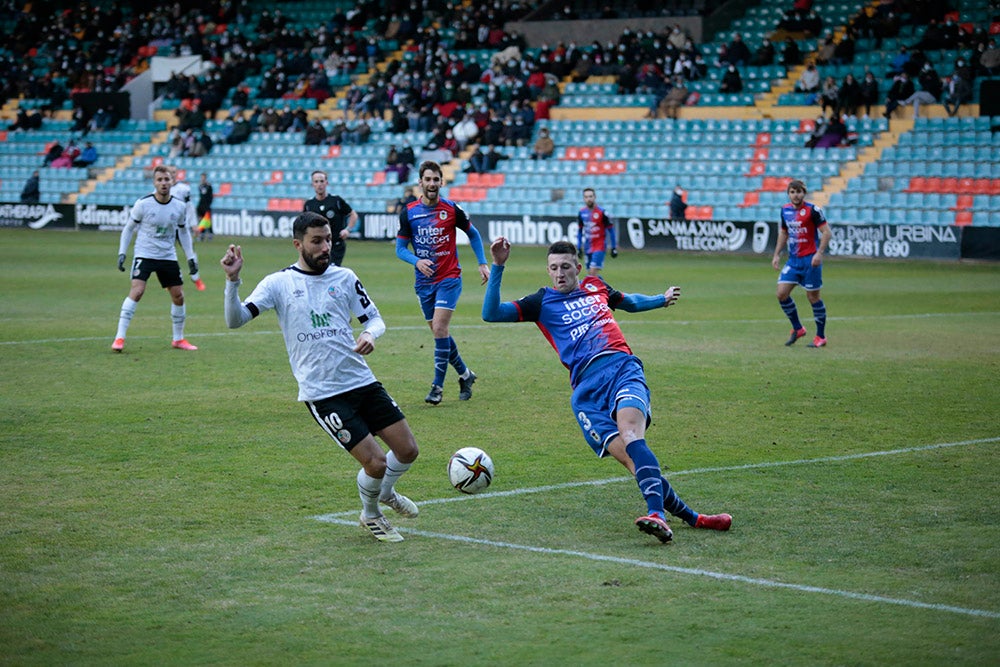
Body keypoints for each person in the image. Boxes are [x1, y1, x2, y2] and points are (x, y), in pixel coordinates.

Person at [481, 238, 733, 543]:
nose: (559, 273)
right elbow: (491, 313)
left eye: (565, 267)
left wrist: (660, 299)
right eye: (553, 268)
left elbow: (630, 302)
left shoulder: (595, 286)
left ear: (578, 266)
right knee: (631, 460)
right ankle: (695, 518)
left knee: (631, 435)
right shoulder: (540, 302)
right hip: (586, 394)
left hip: (621, 368)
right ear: (548, 271)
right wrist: (498, 265)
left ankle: (657, 515)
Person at [220, 212, 420, 543]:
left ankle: (385, 493)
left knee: (408, 450)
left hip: (362, 380)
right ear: (298, 244)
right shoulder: (279, 283)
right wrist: (232, 282)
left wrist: (371, 334)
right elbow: (235, 320)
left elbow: (375, 319)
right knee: (376, 462)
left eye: (328, 239)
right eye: (317, 241)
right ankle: (371, 514)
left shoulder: (344, 277)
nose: (325, 246)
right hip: (324, 393)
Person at [395, 160, 489, 405]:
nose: (432, 184)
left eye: (436, 179)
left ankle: (437, 387)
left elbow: (474, 233)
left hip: (449, 278)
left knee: (439, 329)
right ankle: (466, 375)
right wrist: (416, 261)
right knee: (440, 332)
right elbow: (400, 248)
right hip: (424, 282)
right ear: (420, 182)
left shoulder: (451, 209)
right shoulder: (409, 213)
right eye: (428, 179)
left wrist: (482, 262)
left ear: (441, 182)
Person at [111, 165, 201, 352]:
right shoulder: (143, 204)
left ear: (172, 181)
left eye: (166, 179)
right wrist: (122, 252)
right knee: (137, 290)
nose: (163, 183)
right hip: (145, 253)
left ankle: (178, 339)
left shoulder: (179, 206)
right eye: (159, 180)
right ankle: (119, 338)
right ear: (154, 182)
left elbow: (183, 232)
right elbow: (128, 229)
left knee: (178, 295)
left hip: (168, 255)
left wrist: (190, 257)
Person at [771, 179, 831, 348]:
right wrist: (776, 254)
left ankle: (820, 337)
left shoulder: (813, 210)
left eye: (798, 192)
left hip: (810, 260)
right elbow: (784, 233)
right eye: (792, 192)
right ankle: (798, 328)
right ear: (788, 194)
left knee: (813, 297)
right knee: (781, 293)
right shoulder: (785, 210)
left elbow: (826, 233)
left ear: (804, 193)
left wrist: (819, 253)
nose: (795, 195)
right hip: (793, 260)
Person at [303, 170, 358, 267]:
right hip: (317, 246)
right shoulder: (309, 205)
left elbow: (353, 214)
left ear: (326, 183)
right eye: (316, 182)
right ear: (312, 184)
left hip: (335, 245)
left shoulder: (336, 201)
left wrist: (347, 230)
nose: (319, 184)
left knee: (330, 271)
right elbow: (304, 224)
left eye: (321, 181)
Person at [168, 166, 206, 291]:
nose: (172, 175)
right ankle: (173, 279)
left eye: (174, 172)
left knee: (190, 252)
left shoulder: (183, 189)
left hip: (183, 227)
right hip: (168, 228)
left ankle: (196, 278)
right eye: (169, 172)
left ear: (177, 173)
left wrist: (194, 223)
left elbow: (189, 207)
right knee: (168, 254)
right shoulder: (162, 189)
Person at [576, 187, 617, 277]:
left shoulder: (602, 212)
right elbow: (579, 231)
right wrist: (579, 247)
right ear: (583, 198)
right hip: (588, 246)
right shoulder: (582, 212)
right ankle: (604, 289)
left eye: (590, 196)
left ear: (595, 197)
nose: (588, 199)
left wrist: (614, 247)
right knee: (592, 275)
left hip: (599, 246)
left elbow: (611, 230)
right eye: (586, 197)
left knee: (592, 273)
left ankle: (602, 290)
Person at [196, 172, 214, 241]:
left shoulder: (209, 186)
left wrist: (208, 204)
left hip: (207, 206)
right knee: (201, 221)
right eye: (201, 177)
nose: (202, 179)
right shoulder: (200, 186)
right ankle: (202, 235)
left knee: (207, 221)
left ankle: (210, 235)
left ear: (205, 178)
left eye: (203, 177)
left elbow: (211, 197)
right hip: (201, 205)